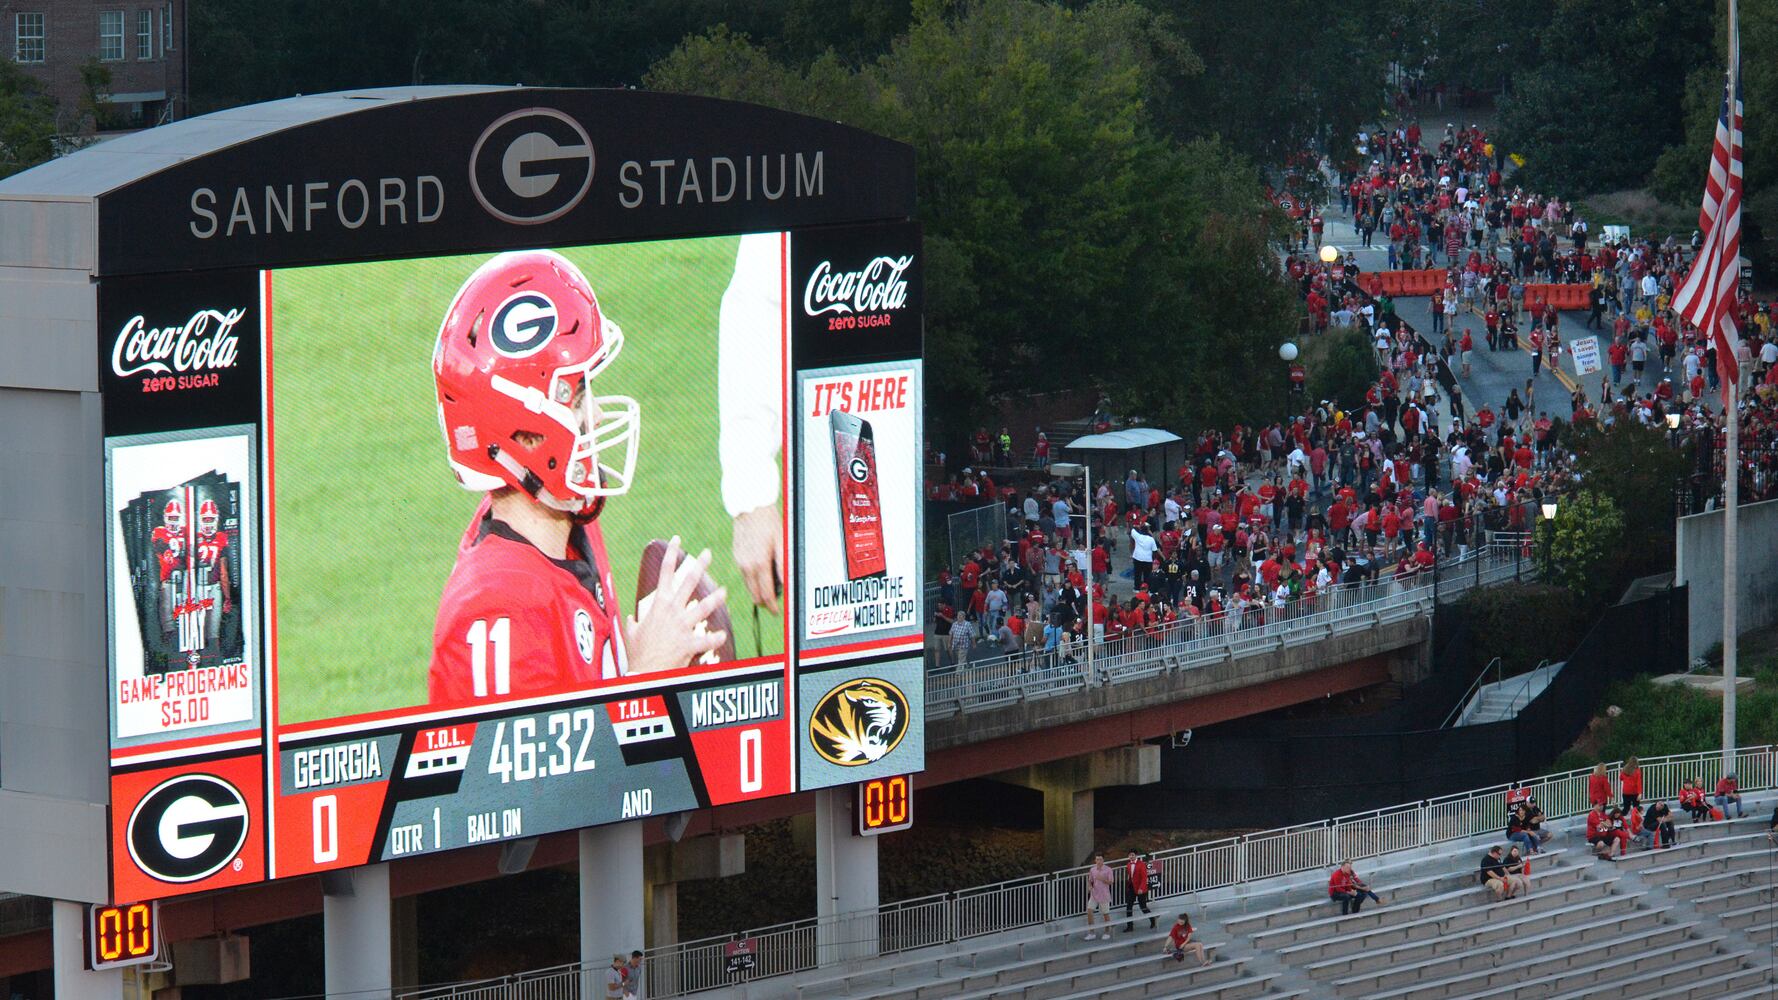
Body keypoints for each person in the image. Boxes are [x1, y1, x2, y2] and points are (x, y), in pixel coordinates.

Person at [429, 251, 728, 706]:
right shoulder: (496, 615)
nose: (597, 412)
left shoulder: (571, 519)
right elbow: (541, 780)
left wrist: (630, 665)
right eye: (578, 395)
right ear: (526, 432)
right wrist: (646, 675)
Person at [1085, 853, 1115, 939]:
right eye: (1097, 859)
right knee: (1089, 911)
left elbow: (1111, 882)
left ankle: (1107, 932)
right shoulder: (1092, 869)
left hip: (1104, 894)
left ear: (1103, 860)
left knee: (1105, 913)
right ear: (1095, 860)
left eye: (1100, 859)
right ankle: (1091, 933)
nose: (1098, 861)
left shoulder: (1108, 869)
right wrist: (1090, 887)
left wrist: (1102, 878)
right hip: (1094, 894)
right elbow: (1090, 880)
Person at [1124, 851, 1155, 931]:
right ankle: (1130, 926)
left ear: (1136, 856)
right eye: (1130, 855)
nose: (1131, 856)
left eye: (1133, 855)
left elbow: (1144, 878)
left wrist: (1141, 888)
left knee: (1143, 907)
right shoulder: (1128, 865)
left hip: (1140, 889)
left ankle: (1153, 920)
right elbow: (1130, 877)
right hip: (1132, 888)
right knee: (1129, 906)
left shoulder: (1141, 864)